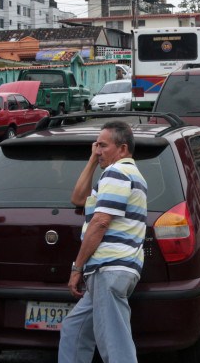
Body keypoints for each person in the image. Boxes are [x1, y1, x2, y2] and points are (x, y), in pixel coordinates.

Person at [58, 121, 148, 363]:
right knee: (74, 330)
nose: (98, 150)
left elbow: (100, 222)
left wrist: (77, 267)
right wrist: (93, 159)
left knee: (116, 347)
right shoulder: (122, 173)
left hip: (109, 269)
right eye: (96, 145)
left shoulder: (117, 173)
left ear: (122, 149)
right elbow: (78, 198)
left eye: (103, 145)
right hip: (107, 271)